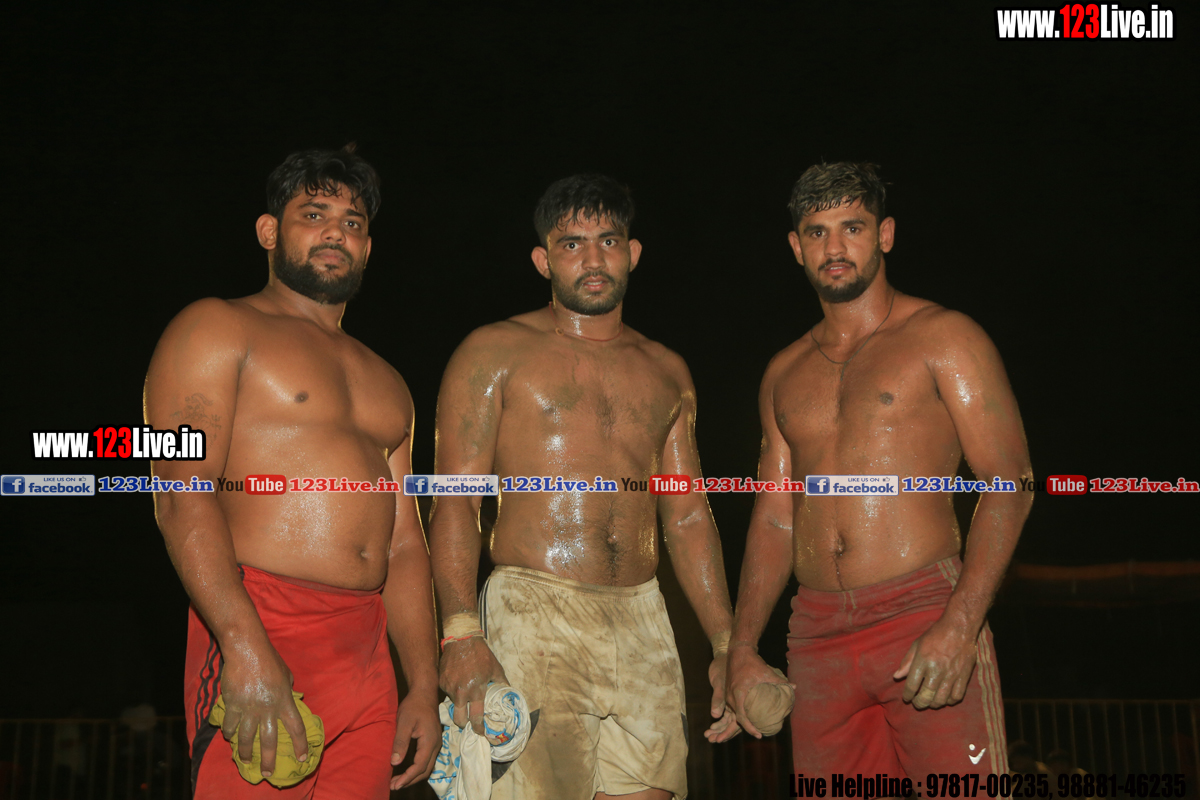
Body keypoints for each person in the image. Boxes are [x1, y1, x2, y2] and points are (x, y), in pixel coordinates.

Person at [144, 146, 440, 798]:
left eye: (353, 222)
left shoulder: (389, 382)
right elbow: (181, 495)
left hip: (367, 650)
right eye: (314, 213)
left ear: (368, 247)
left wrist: (423, 684)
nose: (337, 231)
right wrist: (243, 644)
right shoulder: (216, 326)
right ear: (269, 231)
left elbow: (404, 545)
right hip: (265, 619)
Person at [430, 174, 737, 800]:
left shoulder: (667, 370)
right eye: (572, 244)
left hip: (644, 616)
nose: (593, 260)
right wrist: (460, 631)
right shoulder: (493, 351)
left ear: (633, 253)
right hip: (535, 608)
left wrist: (728, 643)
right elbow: (455, 498)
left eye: (608, 241)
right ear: (543, 260)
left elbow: (686, 514)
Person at [722, 162, 1033, 777]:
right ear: (796, 247)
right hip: (815, 635)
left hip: (921, 611)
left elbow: (1010, 484)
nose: (834, 248)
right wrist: (742, 647)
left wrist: (961, 624)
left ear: (885, 235)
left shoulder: (945, 337)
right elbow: (776, 517)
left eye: (853, 227)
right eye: (817, 232)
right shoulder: (783, 372)